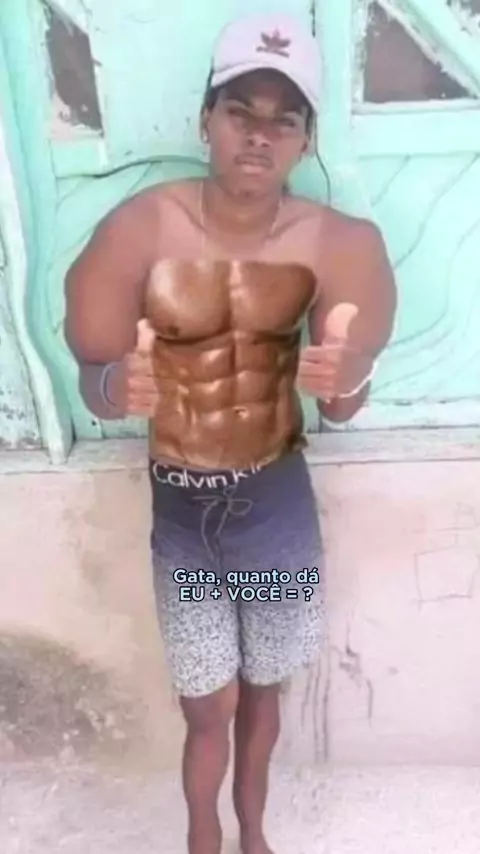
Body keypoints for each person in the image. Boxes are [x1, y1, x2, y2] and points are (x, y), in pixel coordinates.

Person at [64, 12, 397, 854]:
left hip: (277, 513)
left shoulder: (339, 245)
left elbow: (345, 403)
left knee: (262, 691)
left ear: (306, 139)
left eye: (284, 120)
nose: (259, 135)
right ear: (205, 120)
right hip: (184, 517)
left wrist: (346, 372)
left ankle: (253, 832)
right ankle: (203, 836)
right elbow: (92, 373)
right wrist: (116, 385)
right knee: (206, 703)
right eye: (241, 111)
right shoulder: (141, 231)